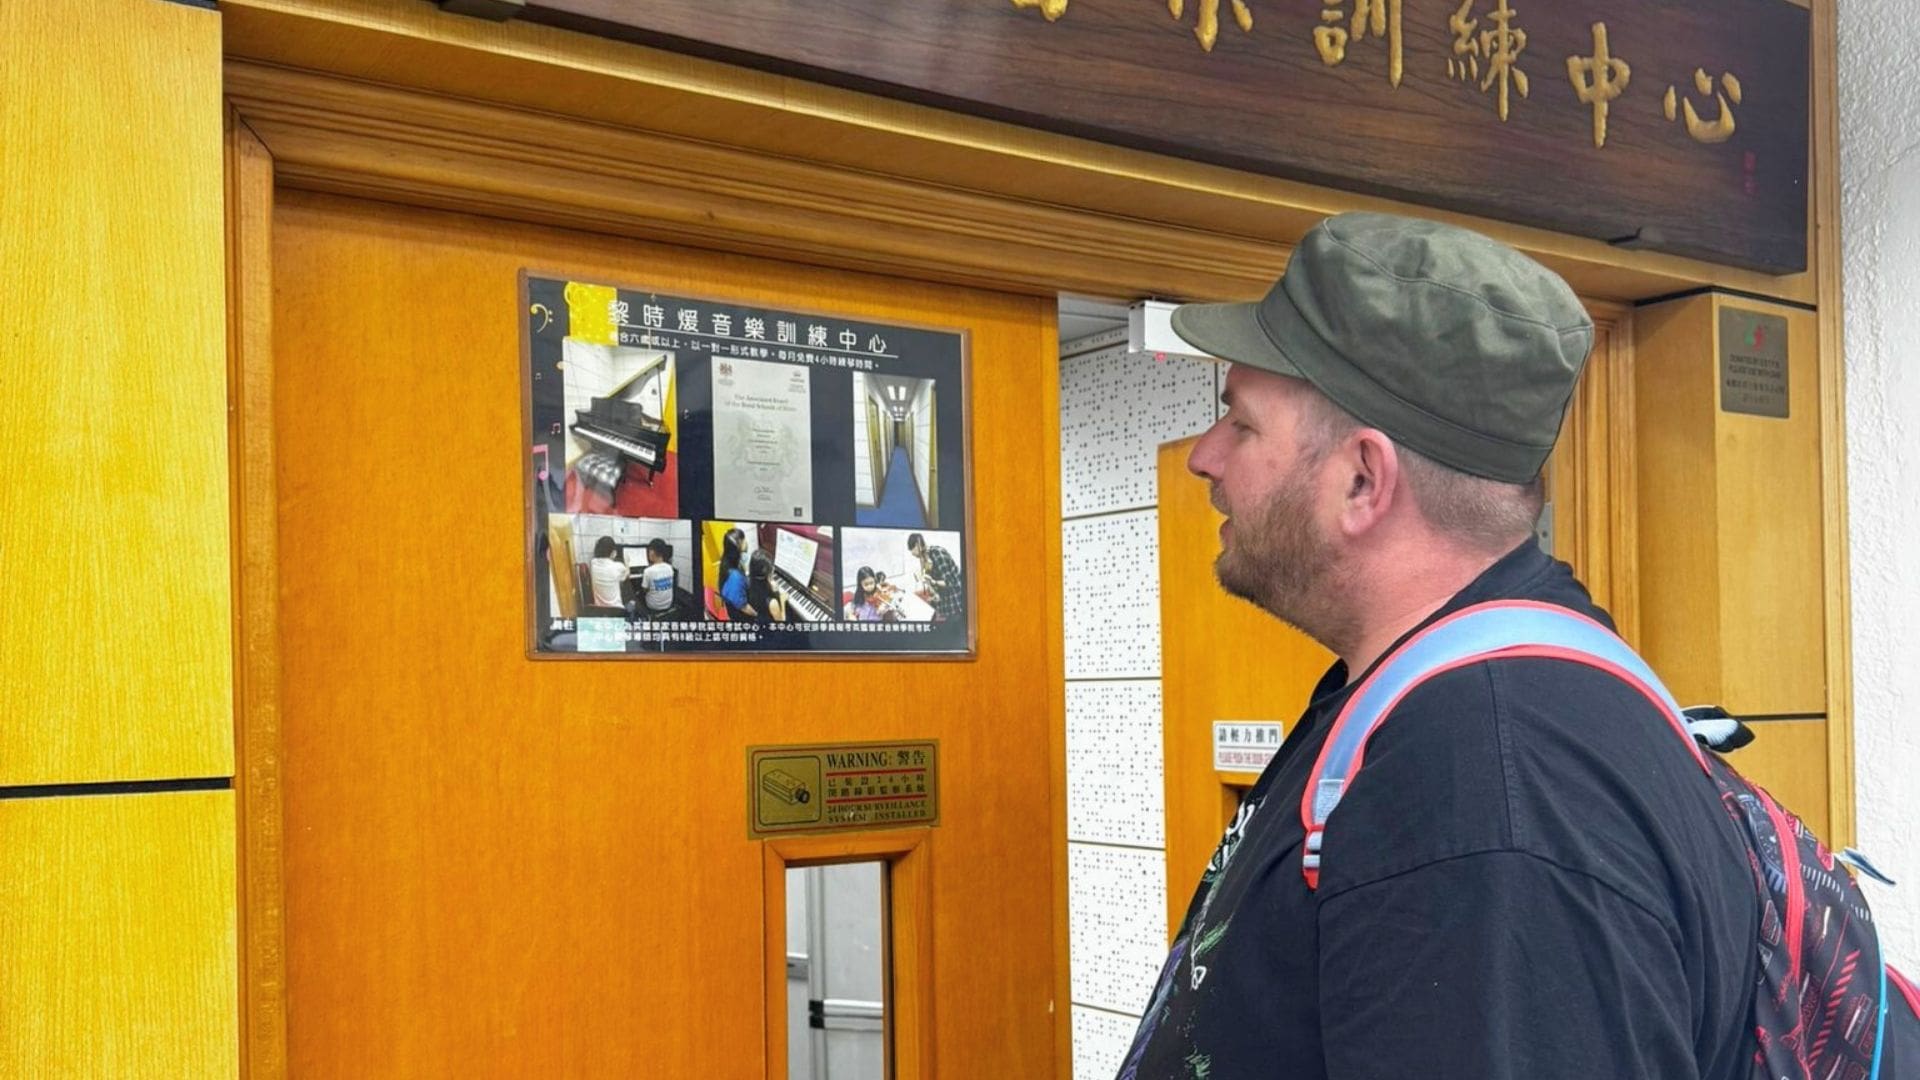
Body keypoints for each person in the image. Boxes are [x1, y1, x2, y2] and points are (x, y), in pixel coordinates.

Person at [1115, 212, 1757, 1080]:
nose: (1204, 457)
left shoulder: (1485, 787)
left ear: (1362, 480)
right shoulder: (1457, 702)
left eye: (1243, 423)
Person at [906, 533, 962, 622]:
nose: (912, 554)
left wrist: (933, 582)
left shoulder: (937, 553)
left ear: (917, 545)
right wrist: (934, 593)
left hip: (954, 603)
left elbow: (950, 582)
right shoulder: (925, 558)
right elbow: (934, 583)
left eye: (912, 550)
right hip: (944, 603)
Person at [741, 550, 787, 624]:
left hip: (757, 617)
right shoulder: (772, 603)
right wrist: (782, 601)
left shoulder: (746, 582)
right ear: (768, 573)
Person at [586, 535, 628, 609]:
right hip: (618, 611)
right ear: (613, 552)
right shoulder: (618, 566)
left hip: (599, 610)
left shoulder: (593, 563)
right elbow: (627, 574)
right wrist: (627, 562)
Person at [639, 538, 676, 617]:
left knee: (638, 595)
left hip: (653, 607)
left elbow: (644, 590)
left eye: (649, 551)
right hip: (668, 604)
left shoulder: (648, 571)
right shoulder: (670, 568)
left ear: (652, 552)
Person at [717, 527, 749, 614]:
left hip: (733, 603)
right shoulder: (735, 576)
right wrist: (758, 615)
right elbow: (743, 607)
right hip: (739, 614)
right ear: (737, 546)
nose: (746, 542)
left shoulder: (727, 559)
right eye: (743, 539)